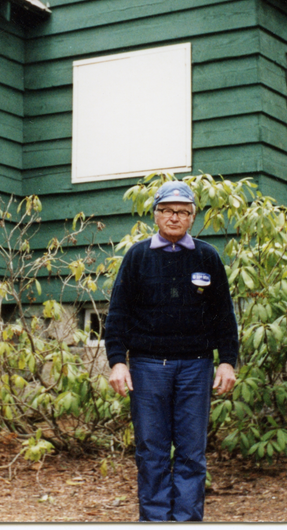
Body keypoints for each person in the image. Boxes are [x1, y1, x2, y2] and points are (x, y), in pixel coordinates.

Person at [104, 180, 239, 522]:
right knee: (152, 451)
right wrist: (118, 363)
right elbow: (118, 313)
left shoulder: (207, 257)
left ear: (193, 217)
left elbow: (224, 314)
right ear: (156, 215)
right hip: (149, 368)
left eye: (182, 212)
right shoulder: (137, 256)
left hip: (196, 369)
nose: (174, 218)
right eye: (167, 211)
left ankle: (188, 522)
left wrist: (227, 362)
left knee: (192, 453)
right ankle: (154, 521)